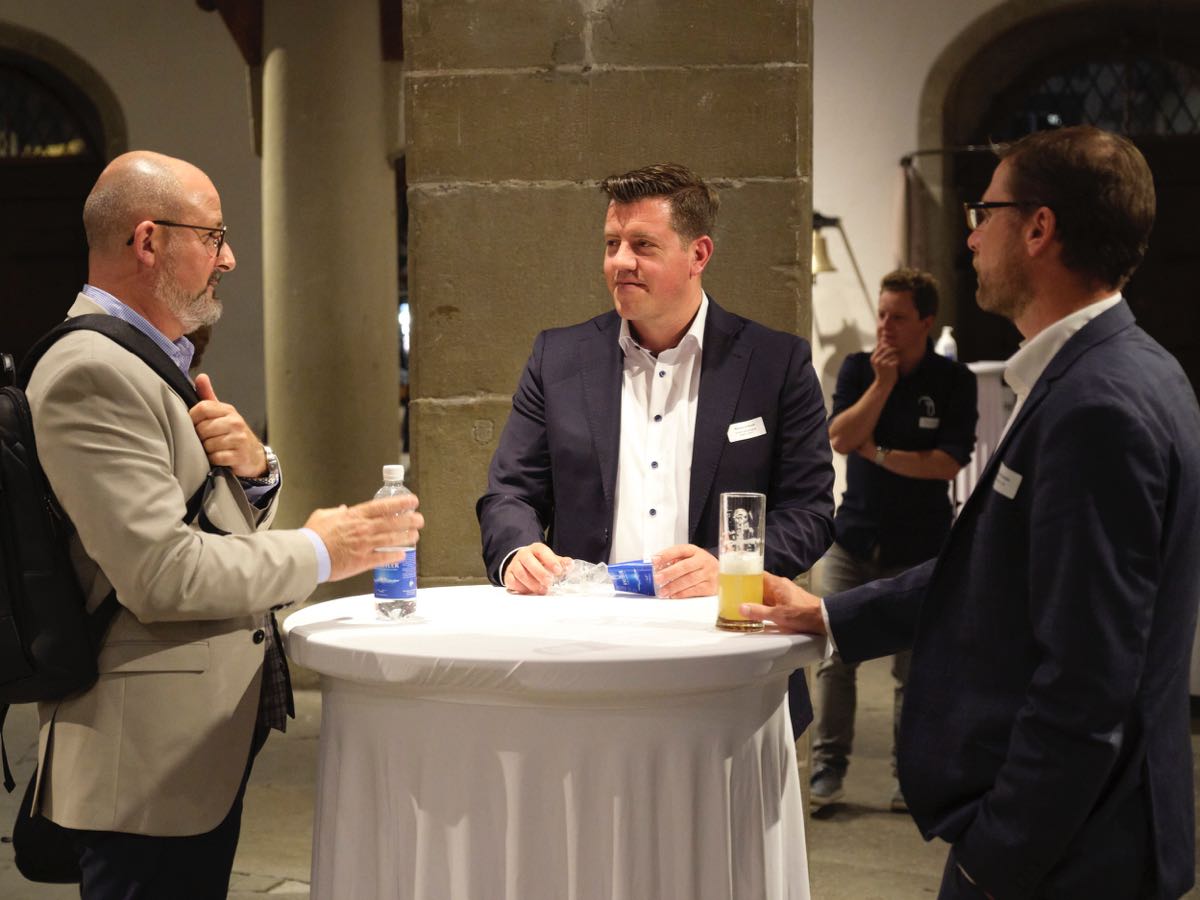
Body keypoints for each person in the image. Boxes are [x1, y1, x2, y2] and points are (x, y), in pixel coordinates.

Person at [743, 125, 1200, 899]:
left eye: (985, 212)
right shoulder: (1119, 369)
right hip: (1077, 837)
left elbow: (1087, 688)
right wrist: (828, 617)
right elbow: (994, 566)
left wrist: (993, 861)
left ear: (1039, 227)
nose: (972, 235)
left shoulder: (1099, 404)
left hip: (1072, 855)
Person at [25, 150, 425, 898]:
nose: (229, 258)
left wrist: (254, 473)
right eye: (212, 236)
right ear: (148, 241)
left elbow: (193, 523)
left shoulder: (144, 360)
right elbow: (161, 573)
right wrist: (320, 550)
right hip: (142, 757)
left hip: (185, 744)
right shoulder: (92, 371)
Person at [476, 162, 834, 728]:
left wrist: (728, 566)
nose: (620, 261)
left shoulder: (776, 364)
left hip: (724, 657)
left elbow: (809, 512)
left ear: (698, 254)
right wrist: (518, 553)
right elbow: (509, 494)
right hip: (581, 659)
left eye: (643, 245)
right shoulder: (558, 358)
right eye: (611, 244)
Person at [808, 268, 977, 812]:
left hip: (921, 550)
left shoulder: (954, 381)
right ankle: (828, 769)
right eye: (882, 314)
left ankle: (910, 777)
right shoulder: (860, 369)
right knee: (834, 657)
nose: (885, 326)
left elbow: (946, 463)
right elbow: (840, 437)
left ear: (925, 322)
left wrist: (878, 452)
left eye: (898, 317)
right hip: (852, 540)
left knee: (915, 670)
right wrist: (881, 387)